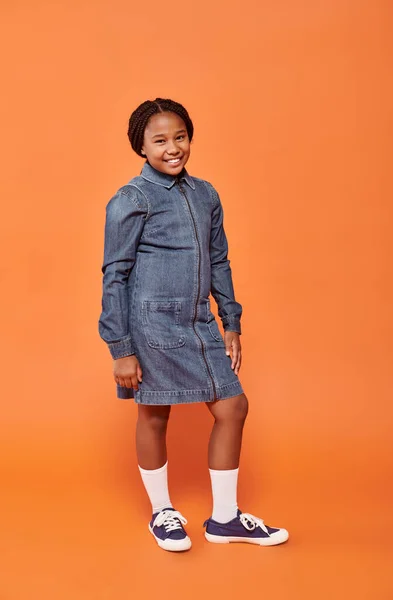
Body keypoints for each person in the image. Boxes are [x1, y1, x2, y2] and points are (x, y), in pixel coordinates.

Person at [98, 98, 289, 552]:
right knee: (154, 412)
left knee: (232, 408)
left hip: (200, 321)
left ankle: (225, 518)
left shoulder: (205, 194)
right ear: (140, 147)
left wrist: (231, 320)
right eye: (159, 140)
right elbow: (115, 274)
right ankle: (162, 512)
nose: (172, 148)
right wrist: (121, 347)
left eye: (180, 137)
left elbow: (219, 260)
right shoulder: (131, 199)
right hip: (152, 325)